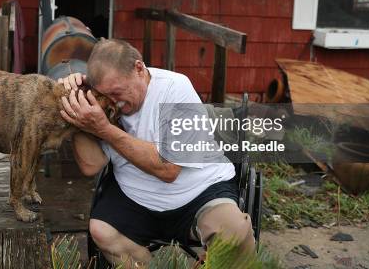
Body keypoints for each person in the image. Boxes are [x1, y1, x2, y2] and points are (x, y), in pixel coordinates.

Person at [58, 39, 255, 267]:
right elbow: (91, 165)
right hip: (136, 197)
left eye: (117, 92)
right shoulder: (102, 99)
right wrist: (75, 112)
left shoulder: (175, 88)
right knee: (101, 230)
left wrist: (104, 129)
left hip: (198, 191)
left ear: (139, 69)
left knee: (235, 233)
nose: (113, 103)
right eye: (105, 95)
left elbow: (169, 169)